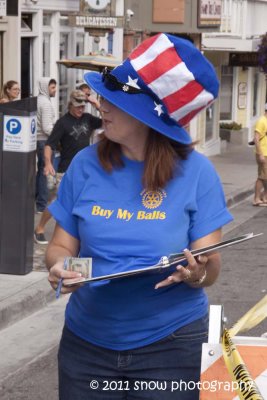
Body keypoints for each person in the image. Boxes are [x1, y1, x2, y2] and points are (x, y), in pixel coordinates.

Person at [46, 33, 233, 400]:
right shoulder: (85, 164)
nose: (101, 105)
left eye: (113, 99)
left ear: (150, 116)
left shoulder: (197, 173)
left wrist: (196, 273)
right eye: (102, 96)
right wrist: (60, 268)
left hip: (172, 345)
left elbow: (210, 267)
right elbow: (58, 246)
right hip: (86, 346)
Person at [34, 89, 102, 245]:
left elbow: (108, 121)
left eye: (83, 106)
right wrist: (48, 163)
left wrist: (97, 105)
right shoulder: (63, 122)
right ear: (70, 104)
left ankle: (79, 234)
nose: (80, 109)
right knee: (57, 201)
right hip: (66, 169)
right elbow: (49, 144)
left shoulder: (88, 118)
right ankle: (39, 228)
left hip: (86, 169)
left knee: (86, 201)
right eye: (78, 106)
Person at [35, 78, 57, 214]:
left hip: (38, 140)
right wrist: (58, 135)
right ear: (45, 88)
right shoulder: (46, 104)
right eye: (52, 88)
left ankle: (38, 200)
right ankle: (42, 205)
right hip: (45, 141)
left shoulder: (37, 100)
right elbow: (47, 127)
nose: (55, 90)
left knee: (40, 172)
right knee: (45, 173)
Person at [252, 103, 267, 206]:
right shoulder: (261, 121)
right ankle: (256, 199)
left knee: (265, 176)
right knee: (262, 177)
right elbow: (256, 138)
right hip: (263, 153)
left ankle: (264, 196)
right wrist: (260, 154)